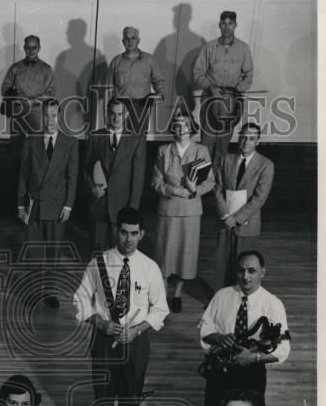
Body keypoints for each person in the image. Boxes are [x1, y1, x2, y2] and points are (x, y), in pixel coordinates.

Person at [73, 208, 169, 406]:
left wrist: (138, 329)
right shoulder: (99, 263)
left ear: (141, 234)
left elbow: (161, 309)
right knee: (103, 397)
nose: (128, 239)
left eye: (134, 234)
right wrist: (101, 323)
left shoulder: (150, 267)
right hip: (105, 339)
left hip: (136, 340)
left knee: (131, 398)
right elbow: (79, 300)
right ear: (117, 231)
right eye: (124, 232)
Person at [198, 251, 290, 406]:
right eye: (241, 271)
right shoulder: (222, 296)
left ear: (262, 272)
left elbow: (283, 350)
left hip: (252, 373)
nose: (245, 276)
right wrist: (220, 338)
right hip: (220, 370)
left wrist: (254, 357)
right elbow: (205, 328)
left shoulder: (273, 304)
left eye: (251, 271)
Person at [16, 99, 79, 309]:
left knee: (53, 252)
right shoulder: (31, 141)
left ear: (59, 115)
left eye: (53, 115)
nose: (49, 120)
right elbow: (23, 175)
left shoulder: (70, 142)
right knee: (34, 253)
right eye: (46, 115)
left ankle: (50, 291)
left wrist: (68, 205)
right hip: (34, 205)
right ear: (41, 116)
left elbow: (72, 177)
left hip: (57, 206)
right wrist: (20, 205)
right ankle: (34, 291)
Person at [151, 112, 215, 312]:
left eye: (186, 125)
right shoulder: (164, 150)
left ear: (192, 127)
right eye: (177, 125)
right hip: (168, 209)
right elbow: (155, 181)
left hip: (191, 211)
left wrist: (195, 190)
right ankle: (160, 296)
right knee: (164, 255)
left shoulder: (202, 150)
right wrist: (173, 190)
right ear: (173, 128)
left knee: (184, 257)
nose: (182, 129)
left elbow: (210, 182)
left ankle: (177, 294)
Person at [214, 122, 274, 289]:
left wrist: (237, 218)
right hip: (225, 220)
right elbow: (217, 188)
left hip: (247, 222)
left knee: (245, 264)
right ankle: (220, 298)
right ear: (238, 138)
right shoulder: (226, 159)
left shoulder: (266, 165)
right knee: (223, 263)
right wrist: (226, 215)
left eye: (251, 138)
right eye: (243, 137)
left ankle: (242, 297)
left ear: (257, 141)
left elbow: (259, 198)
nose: (246, 142)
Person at [192, 10, 254, 173]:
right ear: (219, 25)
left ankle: (217, 178)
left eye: (230, 23)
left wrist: (235, 91)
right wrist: (210, 87)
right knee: (207, 141)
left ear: (235, 25)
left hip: (231, 104)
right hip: (210, 101)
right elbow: (197, 72)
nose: (227, 27)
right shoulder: (209, 47)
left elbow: (248, 76)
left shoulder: (243, 49)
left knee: (223, 143)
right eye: (224, 23)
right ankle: (203, 178)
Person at [82, 99, 146, 251]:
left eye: (120, 114)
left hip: (123, 209)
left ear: (126, 115)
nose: (116, 118)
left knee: (120, 255)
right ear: (107, 114)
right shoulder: (95, 137)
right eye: (112, 114)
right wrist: (92, 188)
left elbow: (138, 181)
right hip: (98, 207)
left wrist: (132, 212)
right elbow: (84, 170)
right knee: (98, 255)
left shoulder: (136, 139)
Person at [107, 27, 165, 136]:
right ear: (123, 42)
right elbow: (108, 88)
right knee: (119, 138)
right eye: (127, 39)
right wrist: (107, 112)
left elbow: (159, 81)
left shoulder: (149, 60)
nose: (130, 41)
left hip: (141, 106)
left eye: (133, 38)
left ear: (138, 40)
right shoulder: (116, 62)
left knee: (139, 139)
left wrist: (160, 93)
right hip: (120, 107)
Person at [0, 35, 56, 145]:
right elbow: (5, 88)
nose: (31, 51)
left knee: (36, 146)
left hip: (38, 113)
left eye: (34, 47)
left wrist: (35, 100)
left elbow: (51, 92)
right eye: (28, 47)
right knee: (16, 145)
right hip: (18, 112)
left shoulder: (46, 69)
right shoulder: (15, 68)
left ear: (39, 48)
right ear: (24, 48)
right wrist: (16, 98)